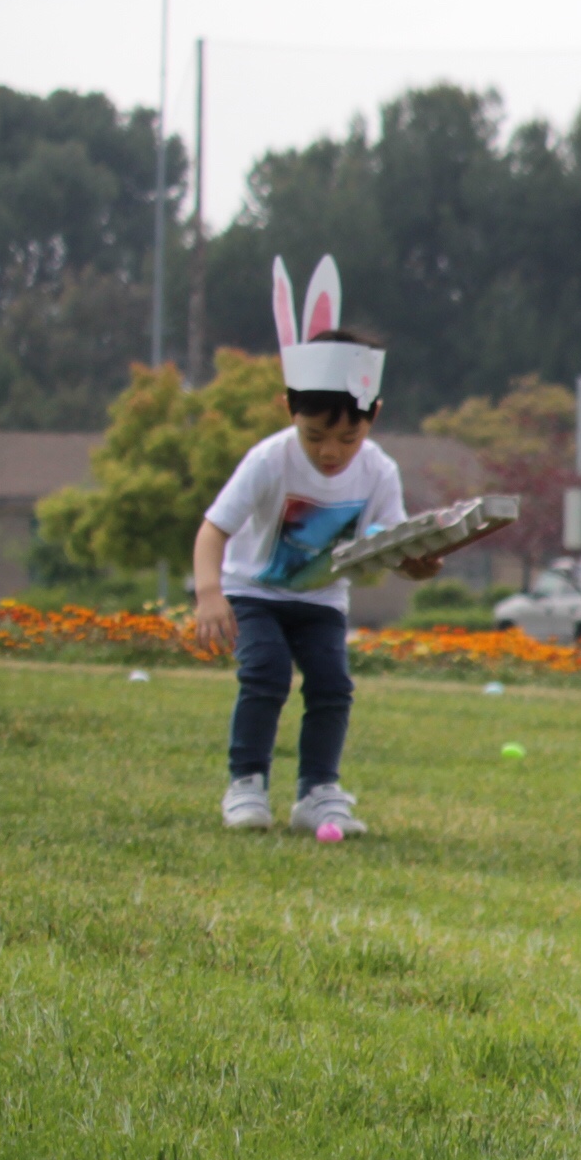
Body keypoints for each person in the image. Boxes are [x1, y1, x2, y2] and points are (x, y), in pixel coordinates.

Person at [189, 256, 442, 838]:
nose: (331, 451)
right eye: (316, 435)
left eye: (348, 436)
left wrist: (419, 565)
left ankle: (318, 792)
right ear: (289, 409)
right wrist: (209, 593)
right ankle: (246, 783)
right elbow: (213, 529)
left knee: (332, 685)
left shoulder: (378, 470)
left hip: (322, 600)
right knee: (267, 673)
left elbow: (391, 543)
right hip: (254, 592)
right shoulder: (268, 459)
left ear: (373, 417)